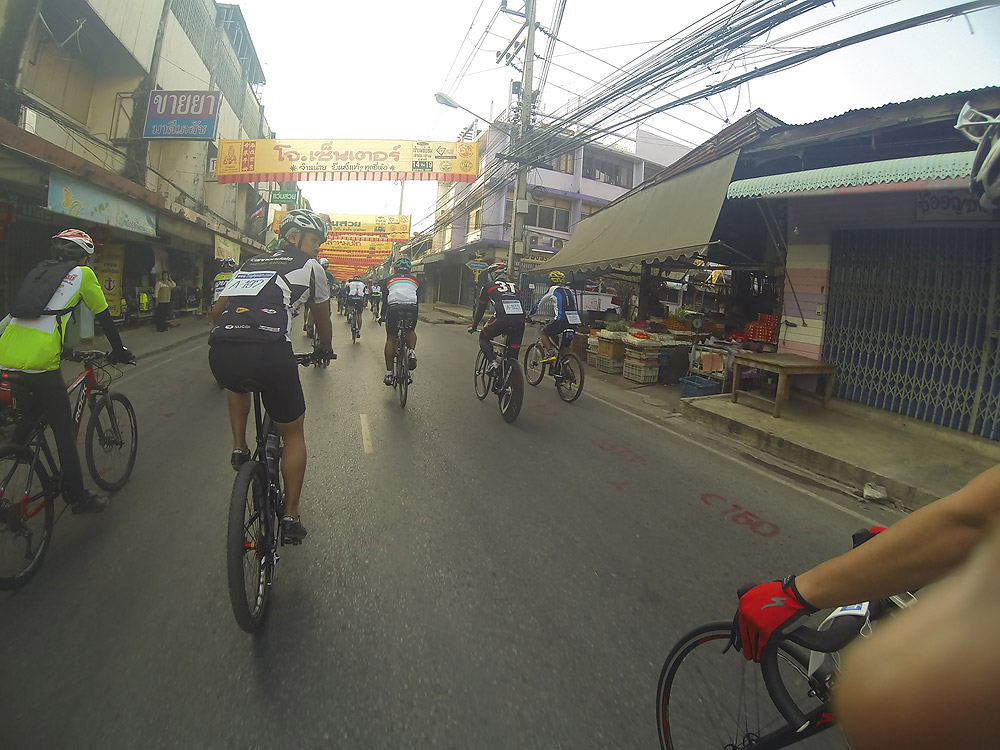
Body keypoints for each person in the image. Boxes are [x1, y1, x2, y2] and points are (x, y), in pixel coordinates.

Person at [209, 209, 334, 542]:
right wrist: (325, 349)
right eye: (314, 241)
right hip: (272, 353)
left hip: (221, 351)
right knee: (293, 434)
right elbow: (322, 317)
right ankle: (290, 516)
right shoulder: (312, 267)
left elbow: (216, 312)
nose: (317, 248)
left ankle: (239, 447)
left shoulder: (249, 264)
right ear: (294, 237)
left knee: (237, 381)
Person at [0, 229, 134, 514]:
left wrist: (65, 350)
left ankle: (17, 449)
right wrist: (120, 352)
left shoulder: (38, 273)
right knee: (64, 431)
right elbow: (105, 318)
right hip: (40, 360)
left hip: (6, 353)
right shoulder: (83, 275)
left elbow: (17, 318)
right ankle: (78, 498)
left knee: (34, 413)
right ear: (84, 257)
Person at [467, 262, 525, 381]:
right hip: (520, 321)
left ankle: (493, 363)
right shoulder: (515, 287)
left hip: (501, 319)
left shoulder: (488, 286)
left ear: (493, 274)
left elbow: (481, 309)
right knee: (512, 357)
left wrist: (474, 326)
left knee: (484, 337)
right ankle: (509, 382)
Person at [378, 258, 419, 386]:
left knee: (391, 338)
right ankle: (411, 352)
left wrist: (382, 316)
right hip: (412, 307)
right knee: (410, 330)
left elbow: (385, 301)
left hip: (394, 308)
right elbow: (417, 299)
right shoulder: (416, 280)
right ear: (409, 270)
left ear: (395, 269)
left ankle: (389, 374)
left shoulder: (388, 280)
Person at [529, 270, 579, 366]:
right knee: (563, 352)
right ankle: (565, 372)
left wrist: (529, 316)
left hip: (561, 321)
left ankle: (550, 352)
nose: (548, 281)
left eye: (549, 279)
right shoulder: (569, 291)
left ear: (552, 280)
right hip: (574, 322)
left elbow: (539, 304)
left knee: (543, 333)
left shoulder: (553, 289)